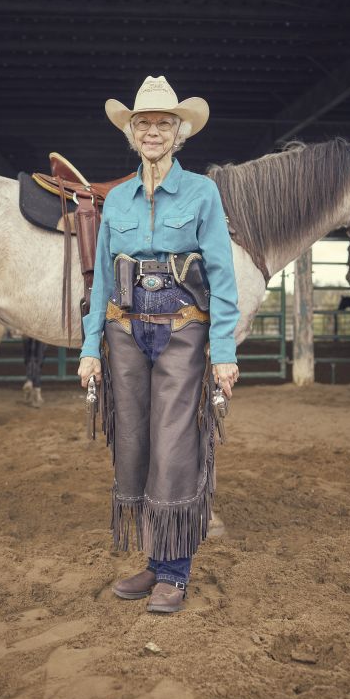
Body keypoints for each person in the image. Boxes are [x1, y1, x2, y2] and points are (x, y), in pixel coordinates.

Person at [77, 76, 239, 613]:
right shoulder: (117, 200)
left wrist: (224, 353)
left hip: (181, 330)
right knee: (133, 445)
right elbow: (101, 278)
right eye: (143, 123)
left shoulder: (202, 193)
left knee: (174, 446)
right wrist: (89, 347)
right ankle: (153, 561)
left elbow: (221, 274)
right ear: (131, 131)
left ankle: (175, 570)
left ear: (178, 133)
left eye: (162, 124)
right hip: (124, 331)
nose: (152, 132)